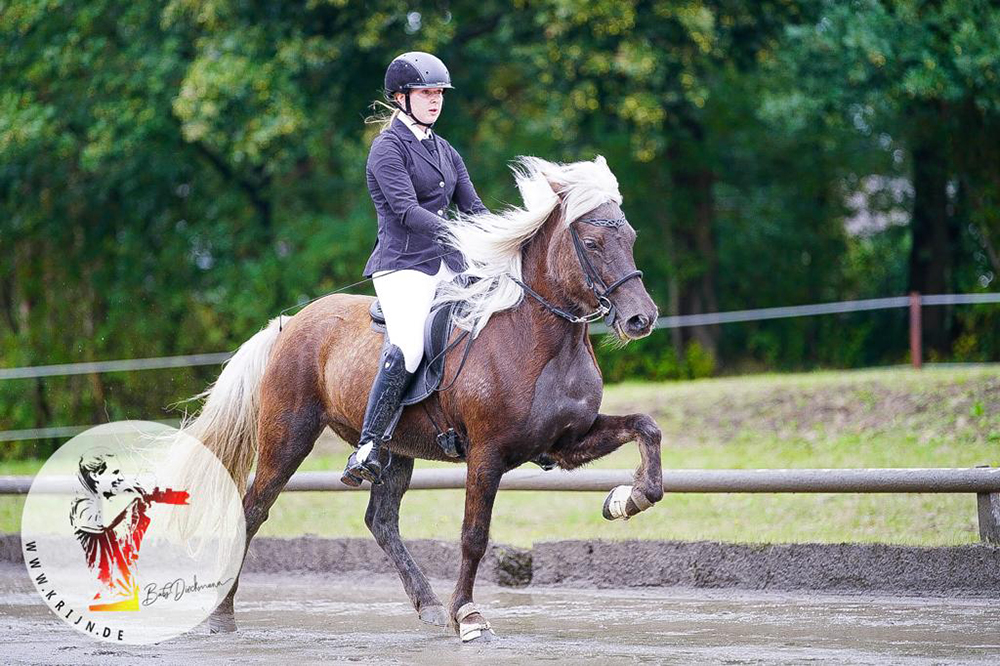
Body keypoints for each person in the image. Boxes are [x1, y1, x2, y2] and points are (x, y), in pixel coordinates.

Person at [341, 51, 490, 487]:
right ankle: (368, 444)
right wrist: (454, 232)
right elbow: (405, 211)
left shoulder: (445, 150)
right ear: (401, 97)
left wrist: (509, 235)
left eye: (439, 93)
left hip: (449, 265)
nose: (435, 100)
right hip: (404, 265)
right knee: (407, 344)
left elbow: (474, 207)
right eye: (426, 93)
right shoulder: (386, 148)